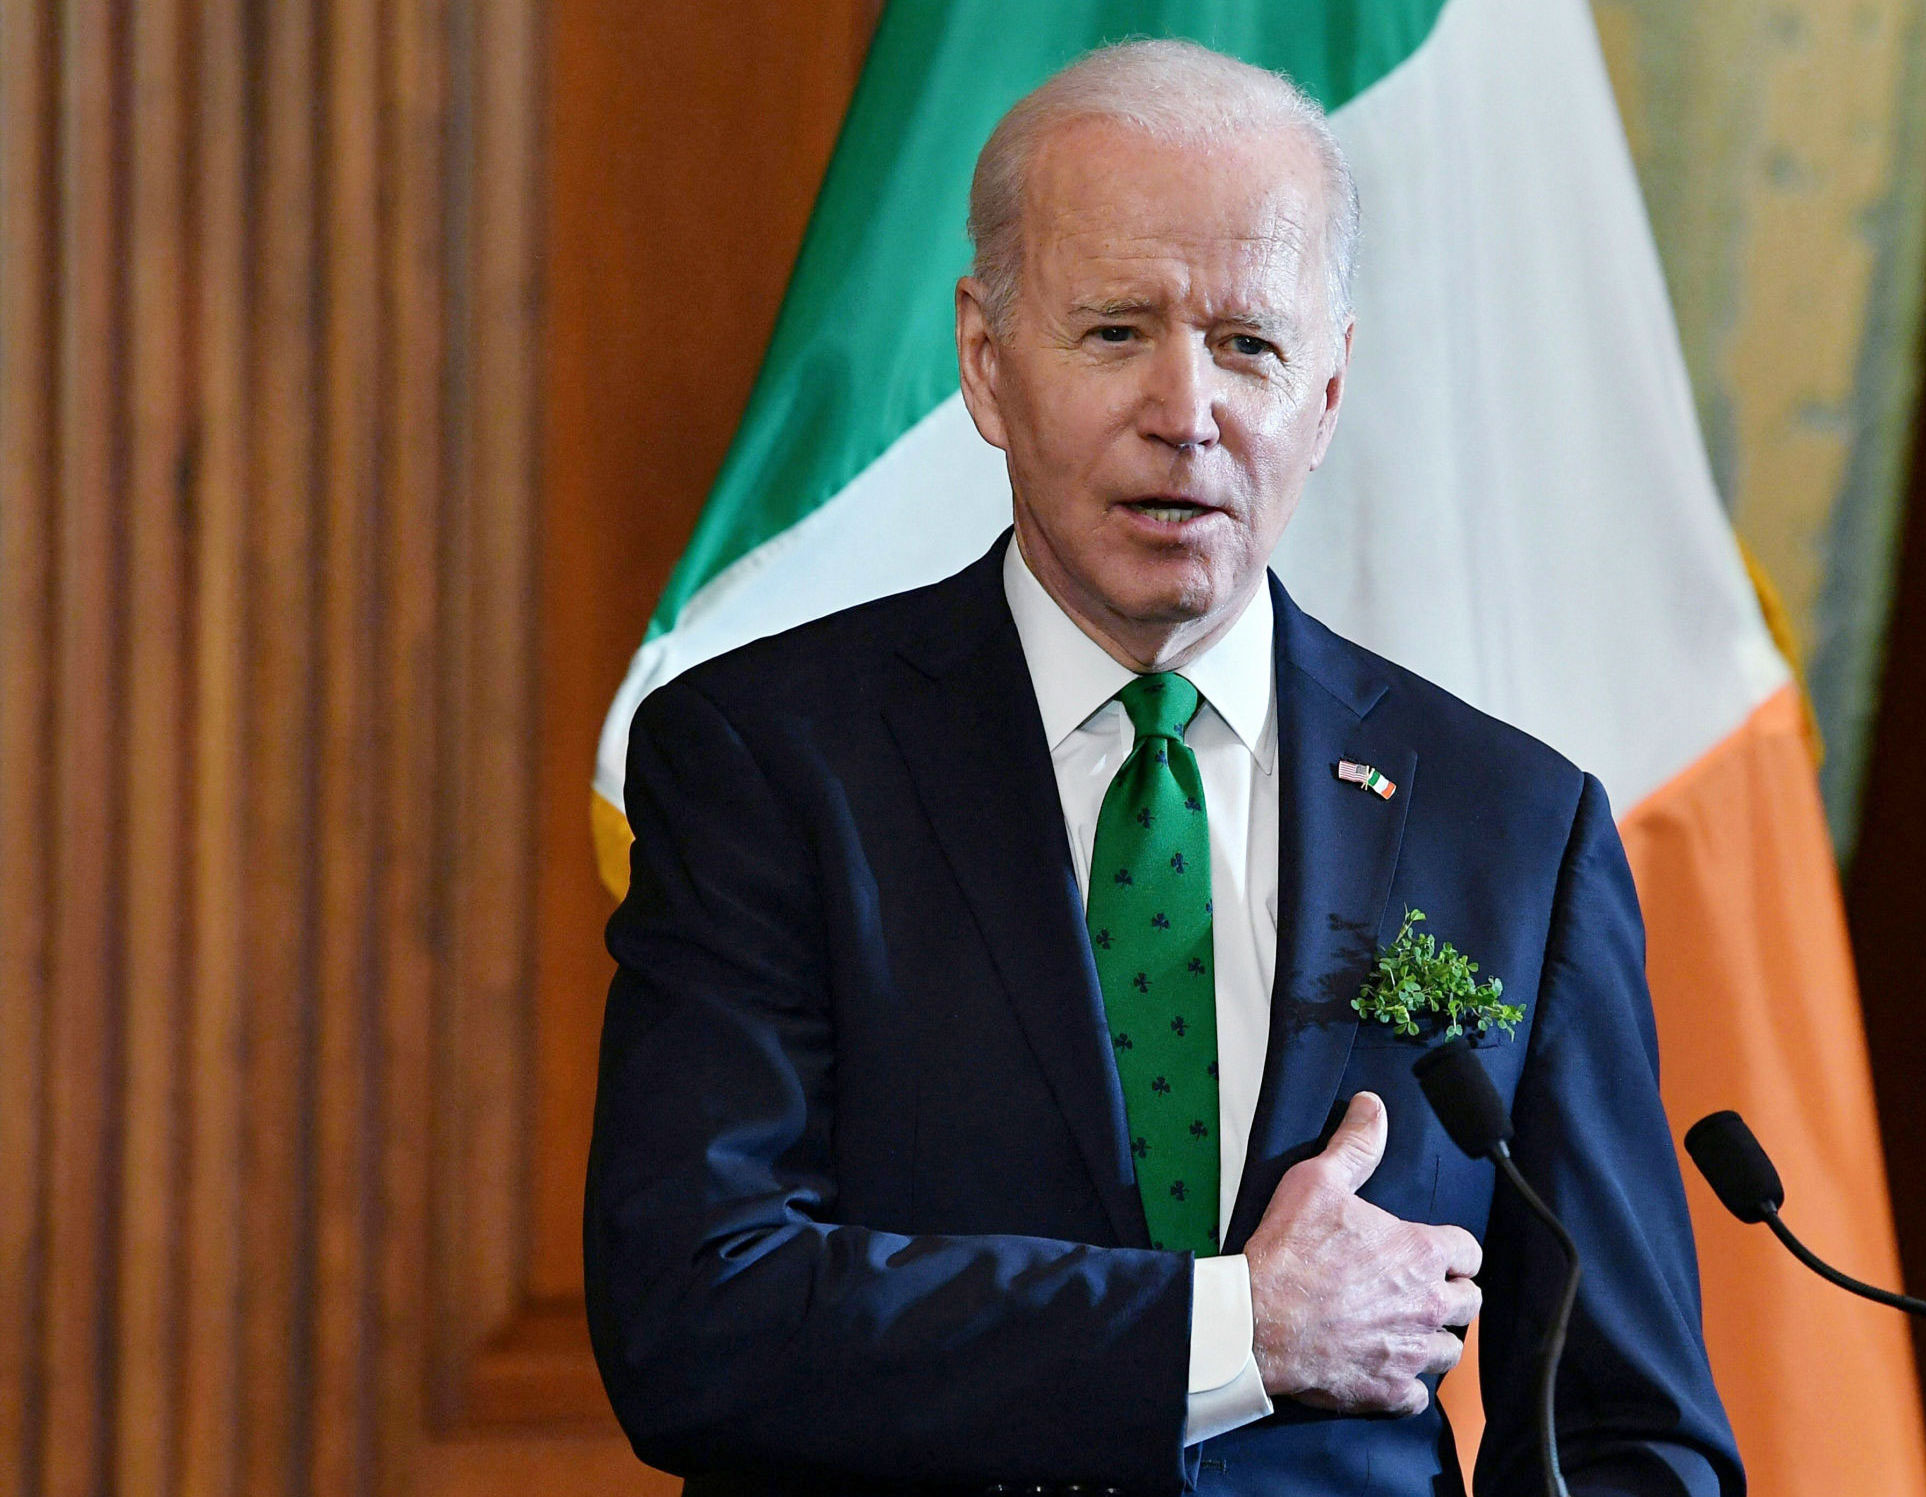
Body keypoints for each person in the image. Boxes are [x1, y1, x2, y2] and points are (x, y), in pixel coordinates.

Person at [585, 39, 1742, 1497]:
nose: (1186, 411)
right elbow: (698, 1316)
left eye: (1250, 344)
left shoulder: (1513, 824)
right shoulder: (767, 762)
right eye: (1117, 330)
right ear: (987, 363)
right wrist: (1230, 1333)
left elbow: (1633, 1437)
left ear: (1326, 395)